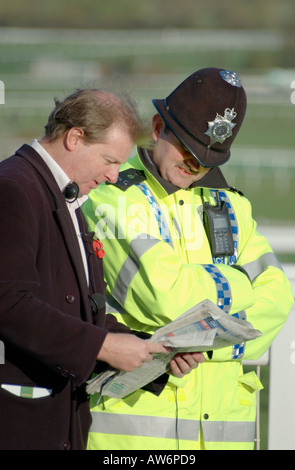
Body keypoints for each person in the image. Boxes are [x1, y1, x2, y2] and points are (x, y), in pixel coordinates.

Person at [83, 68, 294, 450]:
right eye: (189, 150)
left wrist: (198, 343)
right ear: (158, 126)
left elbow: (278, 300)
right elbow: (169, 298)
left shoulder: (233, 205)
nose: (195, 166)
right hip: (135, 443)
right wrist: (238, 285)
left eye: (209, 158)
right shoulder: (113, 197)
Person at [0, 88, 202, 451]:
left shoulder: (67, 196)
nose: (114, 176)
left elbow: (80, 310)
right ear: (75, 138)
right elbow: (8, 304)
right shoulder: (13, 187)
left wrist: (154, 350)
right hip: (20, 421)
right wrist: (103, 346)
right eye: (109, 160)